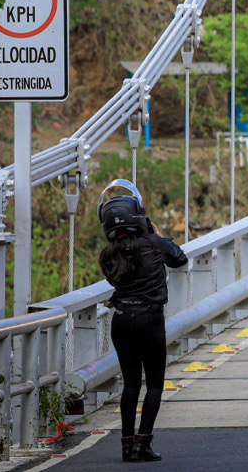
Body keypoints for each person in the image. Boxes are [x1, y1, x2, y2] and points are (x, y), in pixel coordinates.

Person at [97, 180, 188, 463]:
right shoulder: (154, 244)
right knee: (155, 385)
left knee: (131, 385)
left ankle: (126, 446)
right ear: (138, 213)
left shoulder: (107, 255)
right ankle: (143, 444)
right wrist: (155, 233)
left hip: (121, 320)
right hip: (149, 320)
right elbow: (179, 258)